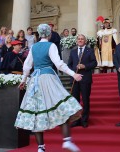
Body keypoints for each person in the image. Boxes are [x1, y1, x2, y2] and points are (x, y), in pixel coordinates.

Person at [15, 24, 83, 152]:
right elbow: (59, 64)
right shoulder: (51, 45)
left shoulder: (33, 47)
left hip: (35, 80)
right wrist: (74, 74)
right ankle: (67, 140)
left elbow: (27, 66)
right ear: (49, 34)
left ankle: (41, 147)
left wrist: (23, 80)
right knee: (62, 107)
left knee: (36, 112)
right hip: (48, 78)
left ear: (39, 34)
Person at [68, 34, 97, 128]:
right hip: (75, 79)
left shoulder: (90, 50)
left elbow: (94, 63)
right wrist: (73, 73)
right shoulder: (73, 51)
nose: (80, 40)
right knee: (75, 100)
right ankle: (76, 120)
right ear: (77, 41)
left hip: (85, 79)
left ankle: (84, 120)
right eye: (79, 39)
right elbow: (69, 65)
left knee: (85, 99)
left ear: (85, 41)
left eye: (82, 39)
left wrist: (85, 66)